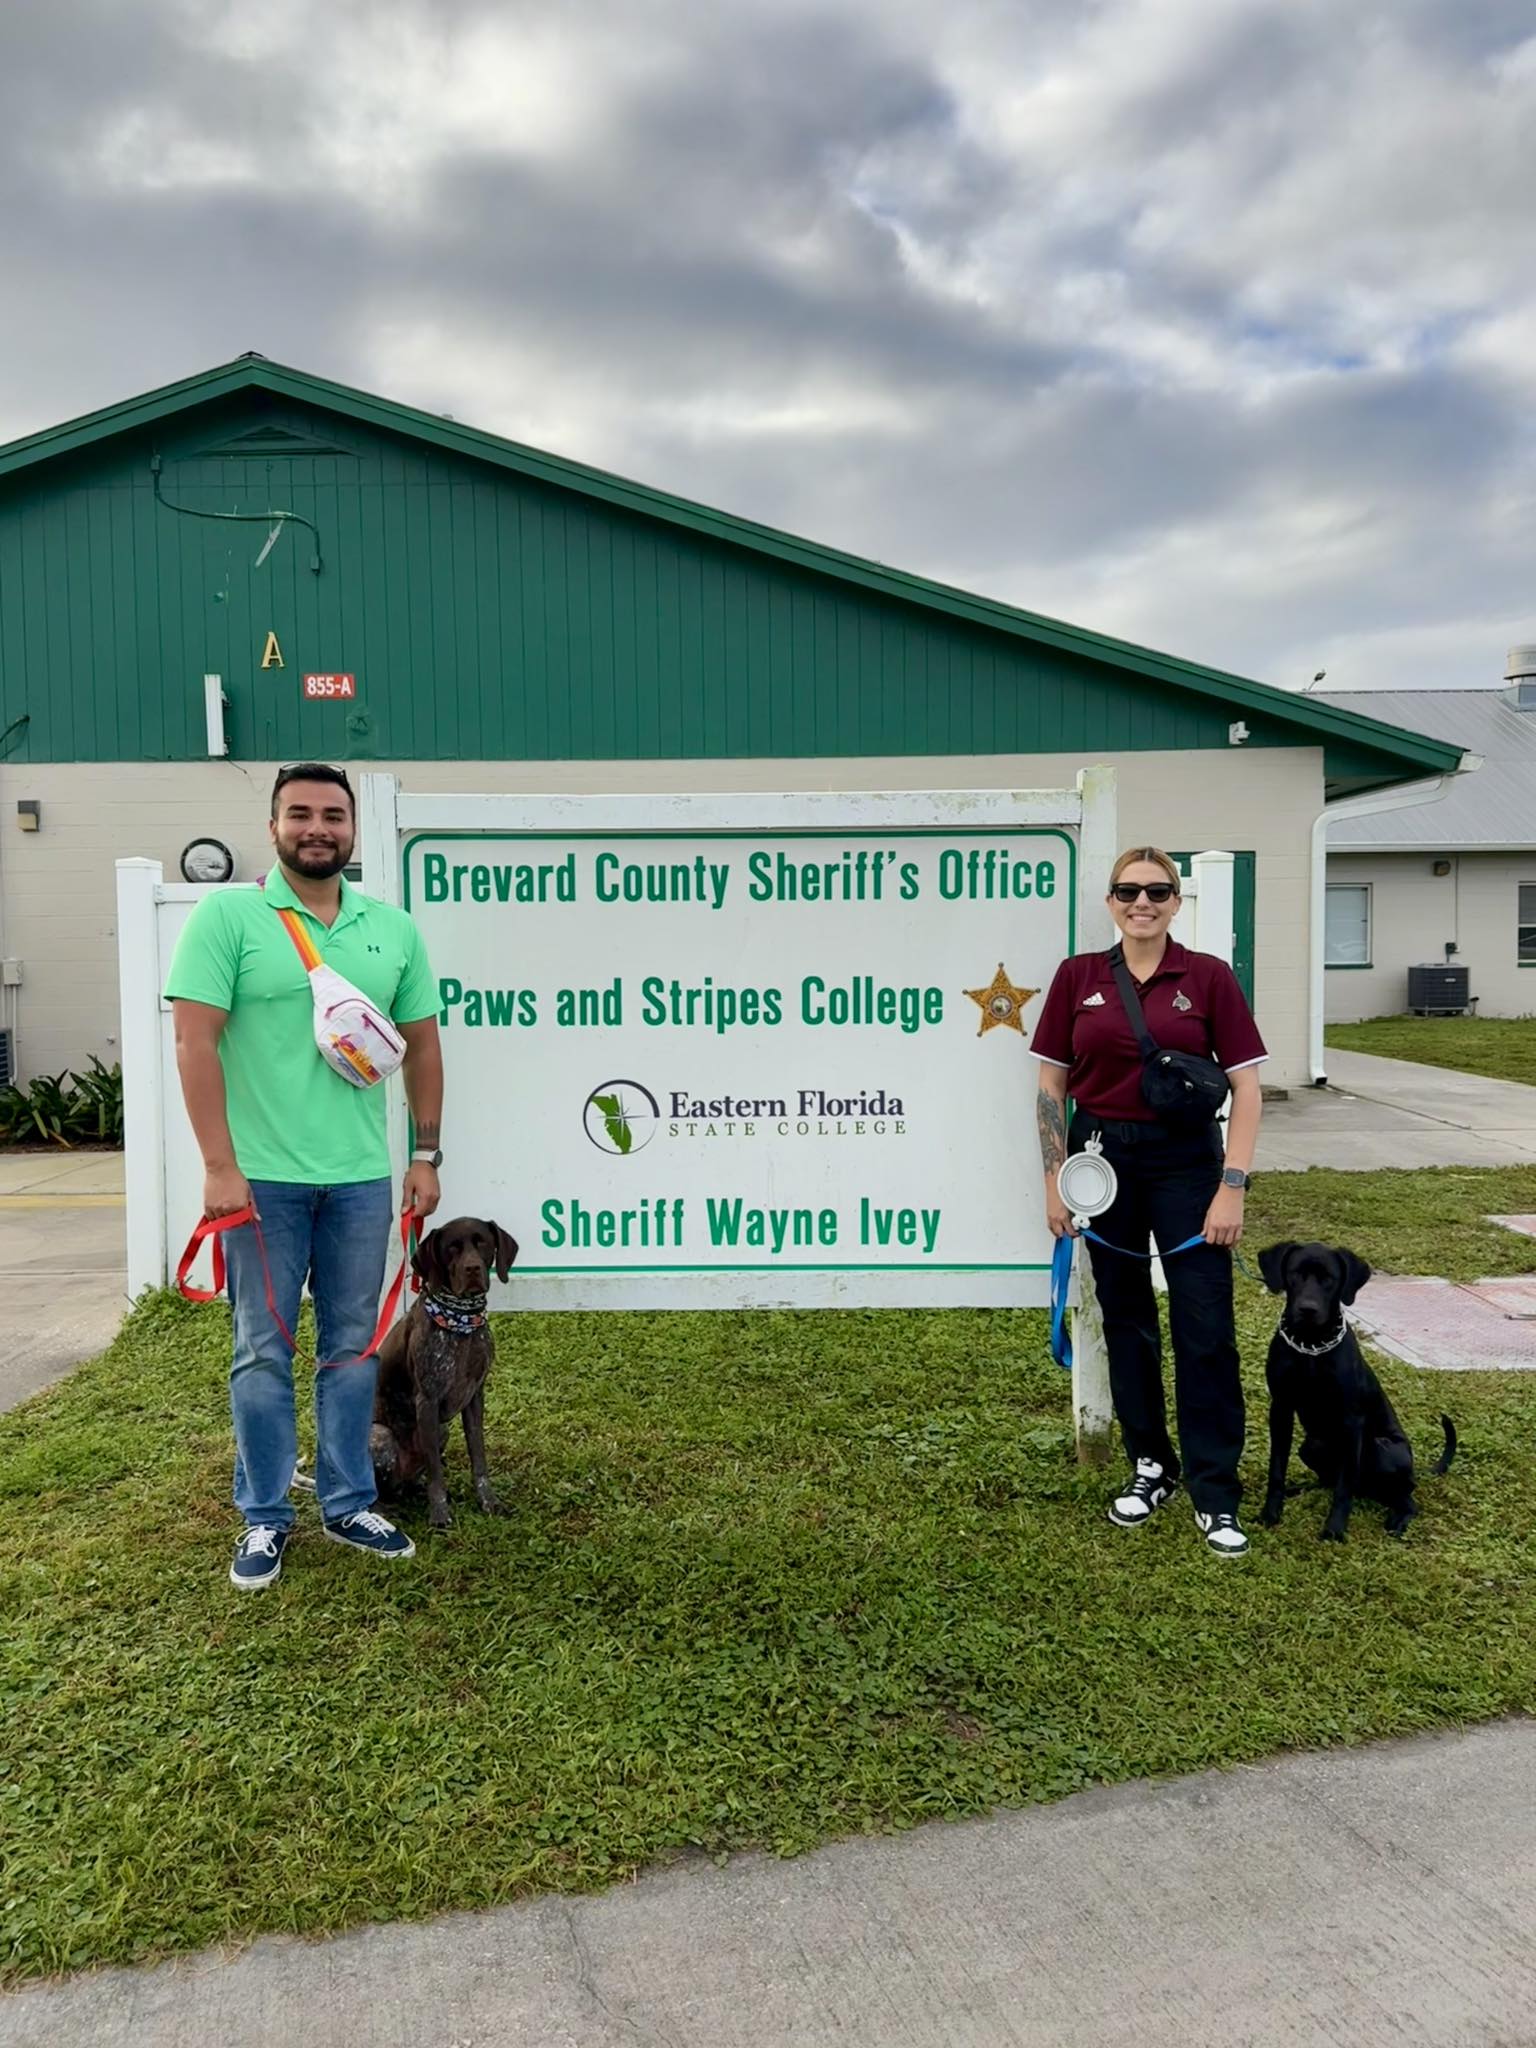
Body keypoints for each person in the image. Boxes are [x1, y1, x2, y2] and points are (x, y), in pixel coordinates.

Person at [166, 763, 445, 1590]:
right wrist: (220, 1167)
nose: (316, 827)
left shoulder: (391, 928)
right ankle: (263, 1516)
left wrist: (424, 1154)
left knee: (353, 1350)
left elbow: (423, 1047)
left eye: (332, 814)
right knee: (262, 1350)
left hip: (361, 1180)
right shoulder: (230, 917)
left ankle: (348, 1499)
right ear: (274, 825)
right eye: (299, 813)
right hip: (262, 1186)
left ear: (352, 829)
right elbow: (194, 1043)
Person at [1030, 847, 1265, 1557]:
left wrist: (1232, 1187)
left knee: (1205, 1326)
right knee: (1127, 1319)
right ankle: (1150, 1464)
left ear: (1175, 901)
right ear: (1110, 902)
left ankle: (1216, 1490)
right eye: (1129, 891)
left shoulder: (1208, 978)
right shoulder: (1078, 978)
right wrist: (1053, 1182)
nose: (1143, 902)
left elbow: (1247, 1088)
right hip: (1103, 1166)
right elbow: (1051, 1087)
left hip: (1189, 1165)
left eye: (1158, 890)